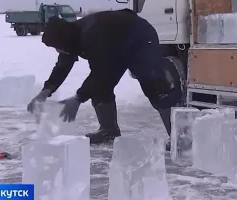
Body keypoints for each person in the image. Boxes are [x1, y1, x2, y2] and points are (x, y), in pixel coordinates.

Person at [27, 8, 183, 146]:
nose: (57, 51)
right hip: (116, 47)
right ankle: (109, 130)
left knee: (154, 84)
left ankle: (179, 137)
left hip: (140, 39)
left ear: (63, 41)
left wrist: (77, 98)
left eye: (57, 47)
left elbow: (100, 72)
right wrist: (46, 91)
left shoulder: (92, 36)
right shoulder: (71, 37)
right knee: (100, 88)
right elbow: (63, 66)